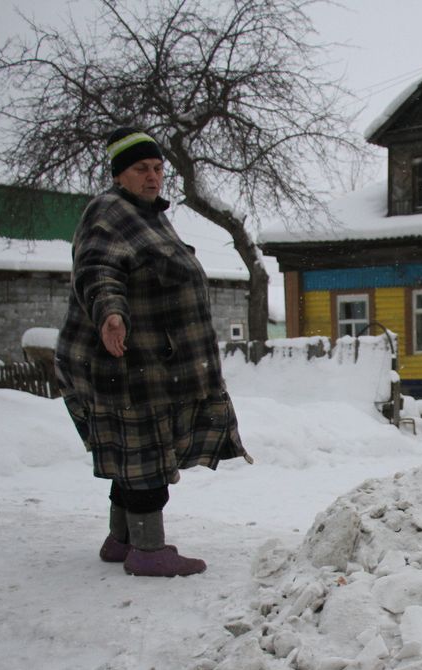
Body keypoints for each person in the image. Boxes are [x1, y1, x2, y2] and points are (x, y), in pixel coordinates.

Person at [55, 127, 252, 578]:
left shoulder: (147, 216)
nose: (153, 177)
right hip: (127, 362)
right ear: (120, 175)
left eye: (159, 168)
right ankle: (148, 550)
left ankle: (120, 539)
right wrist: (110, 313)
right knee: (143, 452)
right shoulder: (109, 212)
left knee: (134, 451)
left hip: (153, 361)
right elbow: (97, 268)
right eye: (142, 169)